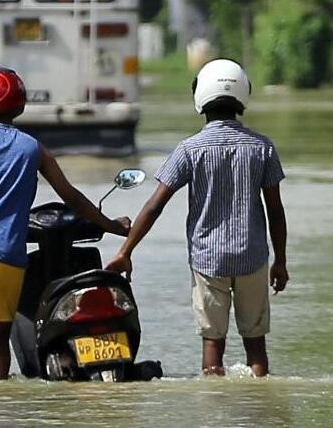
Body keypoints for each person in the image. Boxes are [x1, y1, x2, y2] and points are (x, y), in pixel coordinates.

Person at [0, 66, 132, 380]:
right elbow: (71, 196)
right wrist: (111, 225)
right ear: (17, 104)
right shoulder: (32, 148)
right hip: (8, 257)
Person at [104, 59, 289, 377]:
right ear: (243, 95)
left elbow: (154, 206)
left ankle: (214, 414)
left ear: (199, 98)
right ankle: (261, 411)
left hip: (208, 261)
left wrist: (125, 252)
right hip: (253, 257)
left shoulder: (190, 149)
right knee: (256, 345)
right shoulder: (262, 148)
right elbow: (275, 210)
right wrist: (280, 262)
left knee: (212, 346)